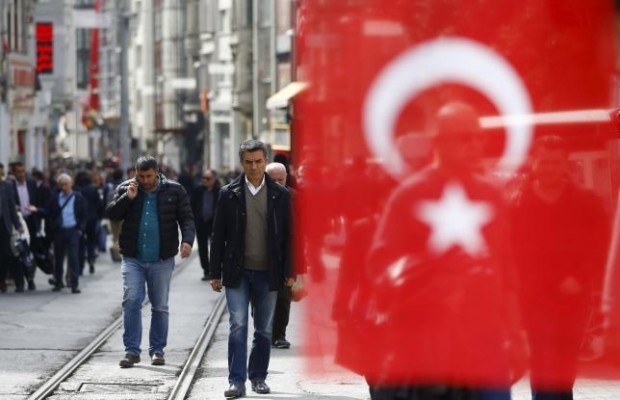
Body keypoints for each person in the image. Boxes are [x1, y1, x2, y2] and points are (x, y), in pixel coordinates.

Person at [365, 102, 522, 400]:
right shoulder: (409, 196)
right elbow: (380, 266)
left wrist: (515, 337)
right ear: (439, 141)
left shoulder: (490, 195)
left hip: (485, 341)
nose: (474, 145)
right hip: (428, 345)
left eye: (478, 137)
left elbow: (506, 269)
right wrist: (429, 278)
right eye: (464, 137)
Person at [510, 135, 609, 400]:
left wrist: (581, 276)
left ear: (566, 165)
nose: (549, 168)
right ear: (534, 163)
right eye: (544, 161)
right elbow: (511, 251)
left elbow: (601, 245)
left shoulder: (586, 202)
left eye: (555, 162)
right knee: (542, 362)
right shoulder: (518, 204)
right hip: (534, 297)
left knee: (564, 365)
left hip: (573, 297)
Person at [209, 140, 293, 398]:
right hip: (238, 271)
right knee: (238, 325)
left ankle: (258, 377)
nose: (254, 167)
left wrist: (290, 270)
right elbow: (218, 233)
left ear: (265, 161)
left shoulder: (281, 195)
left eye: (258, 161)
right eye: (248, 162)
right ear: (242, 163)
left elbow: (290, 236)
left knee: (264, 329)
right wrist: (215, 272)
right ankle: (236, 381)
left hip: (269, 272)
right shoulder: (228, 193)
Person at [106, 155, 195, 368]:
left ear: (157, 172)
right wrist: (128, 197)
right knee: (131, 301)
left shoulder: (175, 190)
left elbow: (187, 218)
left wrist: (188, 241)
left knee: (160, 306)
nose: (144, 180)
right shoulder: (127, 188)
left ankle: (157, 350)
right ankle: (132, 351)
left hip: (161, 259)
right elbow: (112, 214)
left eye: (148, 176)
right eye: (140, 176)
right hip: (133, 257)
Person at [265, 162, 293, 349]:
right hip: (261, 257)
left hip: (285, 257)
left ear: (286, 178)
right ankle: (265, 330)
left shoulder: (294, 198)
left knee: (283, 298)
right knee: (261, 298)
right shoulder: (257, 197)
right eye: (272, 180)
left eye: (280, 180)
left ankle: (279, 334)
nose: (277, 183)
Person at [48, 173, 87, 294]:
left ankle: (74, 284)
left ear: (71, 184)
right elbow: (50, 212)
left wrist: (80, 230)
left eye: (66, 184)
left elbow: (84, 215)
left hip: (73, 231)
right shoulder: (55, 197)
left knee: (73, 258)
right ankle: (59, 282)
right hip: (60, 231)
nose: (64, 187)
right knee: (58, 258)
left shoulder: (78, 197)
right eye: (61, 185)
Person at [11, 162, 42, 290]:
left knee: (31, 252)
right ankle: (19, 282)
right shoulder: (10, 186)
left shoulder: (31, 183)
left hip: (31, 221)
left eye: (23, 171)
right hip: (17, 222)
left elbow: (37, 201)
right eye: (18, 171)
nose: (21, 174)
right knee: (18, 252)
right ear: (14, 172)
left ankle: (30, 278)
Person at [190, 168, 220, 281]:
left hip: (214, 224)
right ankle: (206, 270)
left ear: (214, 179)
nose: (204, 180)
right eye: (203, 178)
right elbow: (192, 205)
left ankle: (215, 270)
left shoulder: (220, 191)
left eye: (207, 178)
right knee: (202, 249)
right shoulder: (198, 190)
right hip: (201, 223)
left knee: (215, 248)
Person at [0, 178, 25, 292]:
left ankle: (2, 278)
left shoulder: (7, 186)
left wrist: (18, 224)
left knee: (6, 254)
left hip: (4, 224)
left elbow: (11, 206)